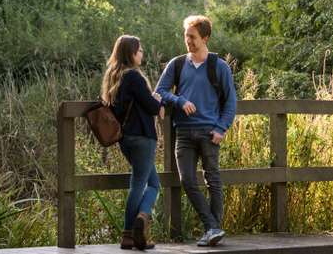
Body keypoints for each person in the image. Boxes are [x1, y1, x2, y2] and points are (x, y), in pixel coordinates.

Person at [156, 15, 237, 247]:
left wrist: (222, 128)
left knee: (213, 180)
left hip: (209, 132)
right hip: (183, 133)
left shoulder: (218, 66)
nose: (188, 41)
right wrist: (179, 100)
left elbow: (231, 102)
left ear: (205, 37)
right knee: (188, 181)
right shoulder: (177, 64)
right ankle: (213, 228)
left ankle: (213, 229)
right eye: (186, 36)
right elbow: (160, 90)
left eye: (192, 37)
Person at [101, 35, 164, 250]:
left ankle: (136, 227)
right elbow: (152, 107)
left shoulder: (113, 76)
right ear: (130, 53)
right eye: (139, 50)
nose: (142, 53)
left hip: (125, 139)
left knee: (153, 182)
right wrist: (157, 101)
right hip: (143, 138)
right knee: (140, 184)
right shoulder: (133, 77)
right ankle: (134, 227)